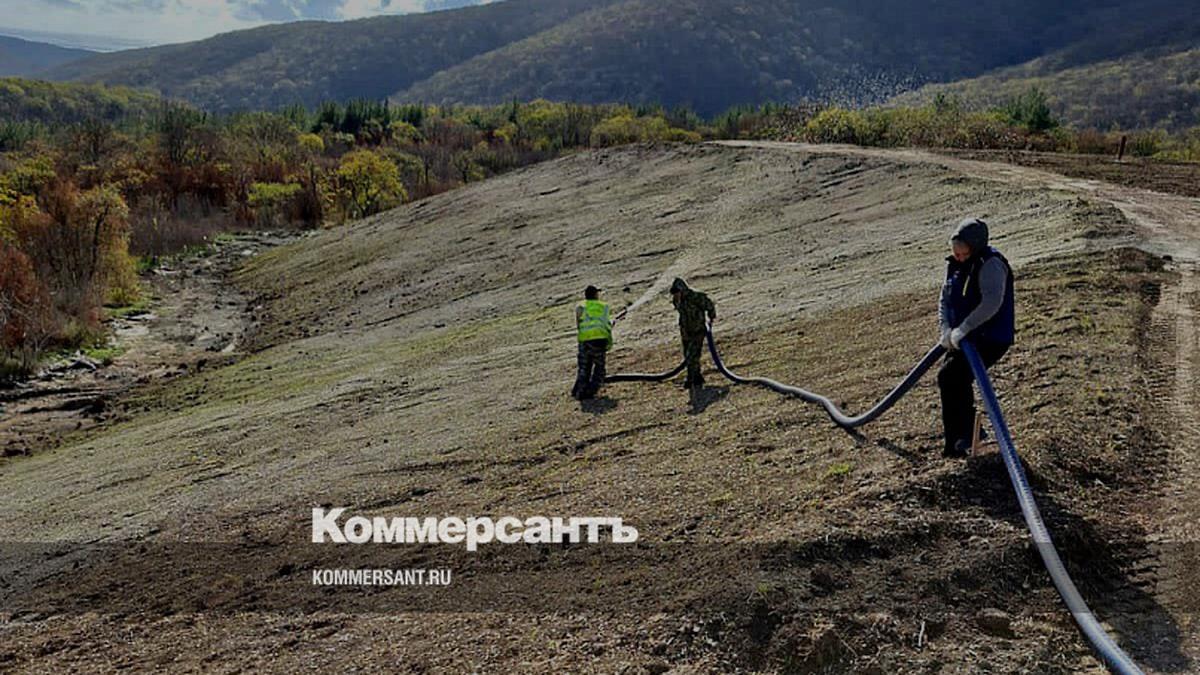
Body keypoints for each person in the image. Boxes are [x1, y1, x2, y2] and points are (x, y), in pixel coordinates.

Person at [937, 217, 1015, 458]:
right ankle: (961, 438)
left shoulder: (991, 265)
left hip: (989, 337)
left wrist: (965, 328)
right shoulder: (956, 265)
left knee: (952, 376)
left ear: (975, 247)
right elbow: (945, 298)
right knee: (950, 378)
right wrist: (946, 329)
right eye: (956, 253)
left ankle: (964, 438)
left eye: (963, 253)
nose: (959, 258)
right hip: (963, 337)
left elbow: (991, 302)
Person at [572, 285, 623, 400]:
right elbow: (606, 325)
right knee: (599, 369)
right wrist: (612, 324)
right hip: (598, 341)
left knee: (584, 367)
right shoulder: (603, 306)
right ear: (596, 295)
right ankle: (590, 392)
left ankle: (579, 391)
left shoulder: (580, 307)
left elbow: (579, 325)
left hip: (584, 340)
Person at [669, 277, 716, 393]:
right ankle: (695, 377)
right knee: (688, 355)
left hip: (698, 331)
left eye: (677, 292)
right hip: (686, 332)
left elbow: (709, 305)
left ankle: (693, 379)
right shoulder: (677, 301)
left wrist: (711, 318)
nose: (676, 295)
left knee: (693, 355)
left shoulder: (695, 297)